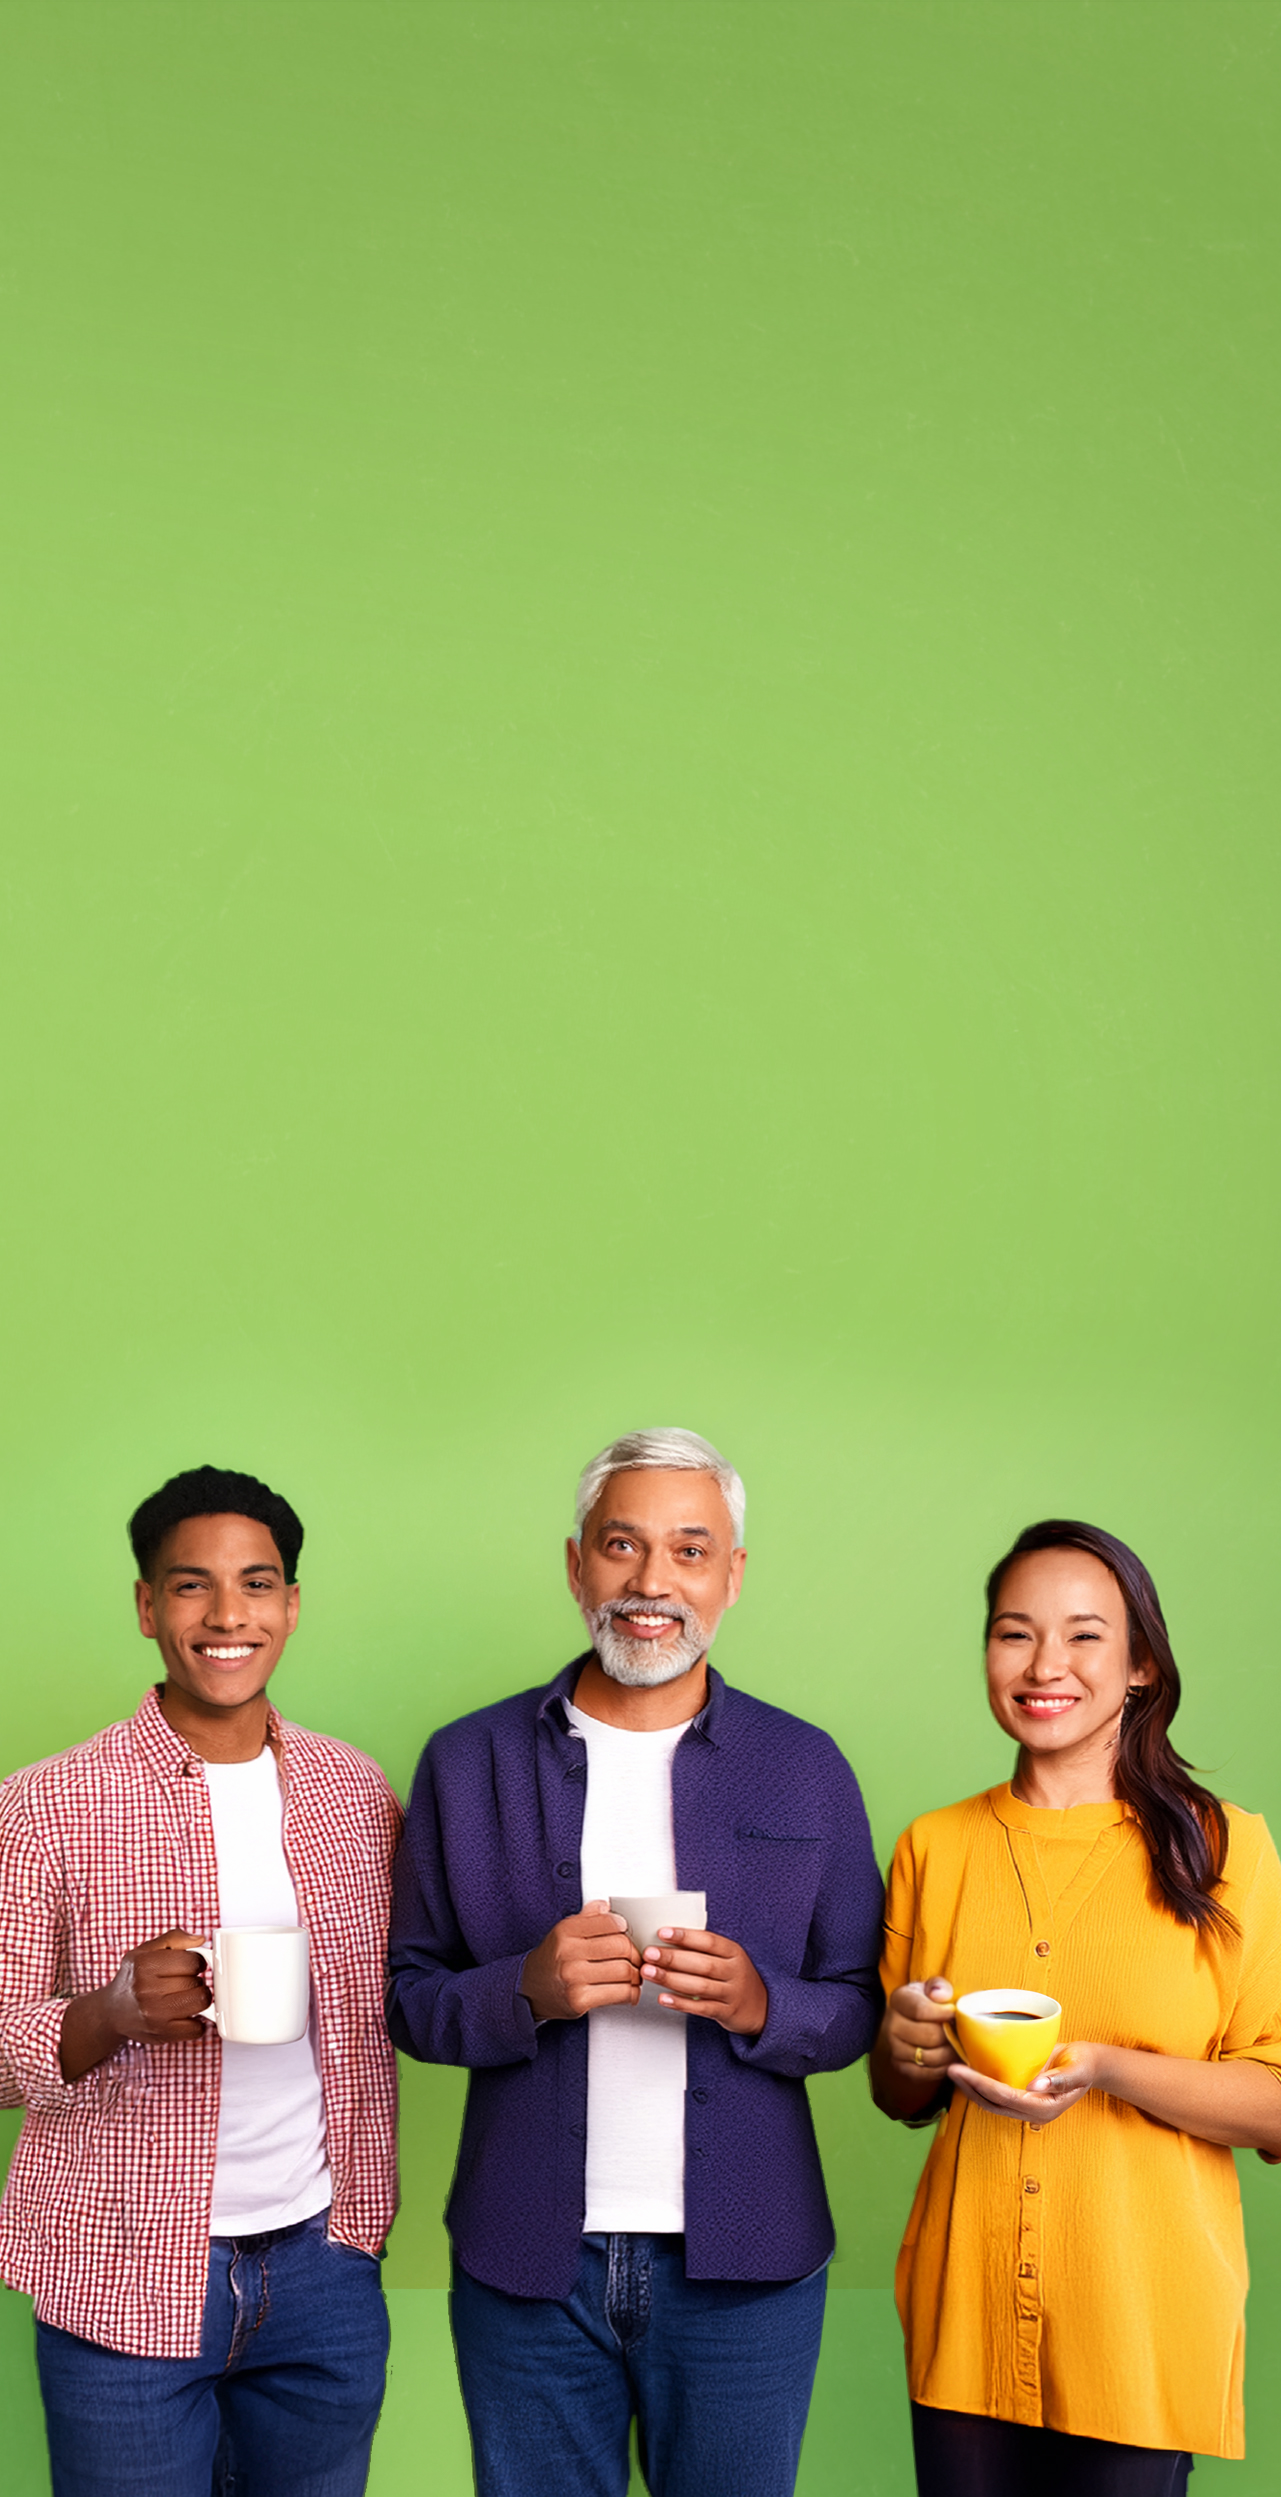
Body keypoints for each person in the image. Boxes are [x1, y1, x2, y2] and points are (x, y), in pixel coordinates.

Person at [386, 1426, 884, 2497]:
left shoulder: (804, 1766)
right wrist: (525, 1987)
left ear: (732, 1576)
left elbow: (857, 2006)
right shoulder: (468, 1762)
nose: (653, 1581)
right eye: (622, 1545)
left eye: (691, 1549)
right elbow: (409, 1998)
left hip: (750, 2263)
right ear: (577, 1566)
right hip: (526, 2262)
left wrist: (759, 2002)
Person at [0, 1464, 402, 2497]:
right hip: (124, 2271)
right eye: (191, 1585)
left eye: (258, 1583)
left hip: (324, 2268)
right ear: (145, 1605)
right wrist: (113, 2011)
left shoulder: (357, 1794)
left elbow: (409, 1991)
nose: (229, 1614)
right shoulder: (45, 1804)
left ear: (293, 1604)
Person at [871, 1517, 1281, 2497]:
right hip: (963, 2317)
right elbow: (902, 2098)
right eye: (1015, 1632)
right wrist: (900, 2042)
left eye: (1084, 1633)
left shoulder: (1229, 1849)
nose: (1044, 1662)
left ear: (1141, 1663)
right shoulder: (934, 1845)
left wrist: (1103, 2067)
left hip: (1141, 2329)